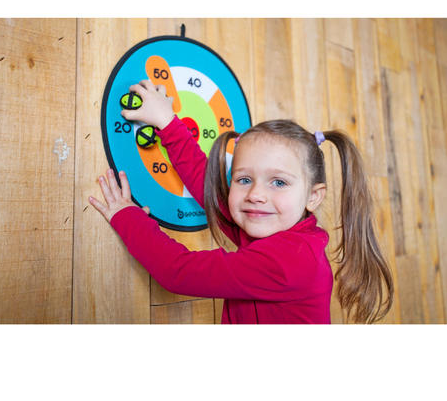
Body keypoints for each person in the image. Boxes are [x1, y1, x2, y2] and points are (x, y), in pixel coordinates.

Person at [89, 80, 394, 324]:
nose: (255, 194)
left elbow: (176, 271)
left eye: (279, 182)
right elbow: (210, 189)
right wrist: (167, 123)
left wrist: (126, 216)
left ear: (313, 196)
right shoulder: (277, 226)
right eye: (244, 179)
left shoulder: (288, 262)